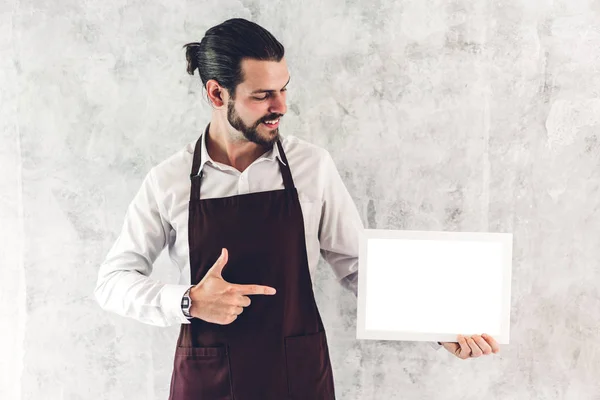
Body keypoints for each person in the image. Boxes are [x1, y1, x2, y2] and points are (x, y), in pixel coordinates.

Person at [94, 18, 500, 400]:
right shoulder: (169, 180)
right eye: (262, 95)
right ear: (217, 94)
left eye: (284, 88)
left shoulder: (311, 166)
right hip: (208, 381)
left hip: (298, 376)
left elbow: (359, 266)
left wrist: (438, 327)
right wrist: (188, 301)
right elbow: (113, 281)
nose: (281, 106)